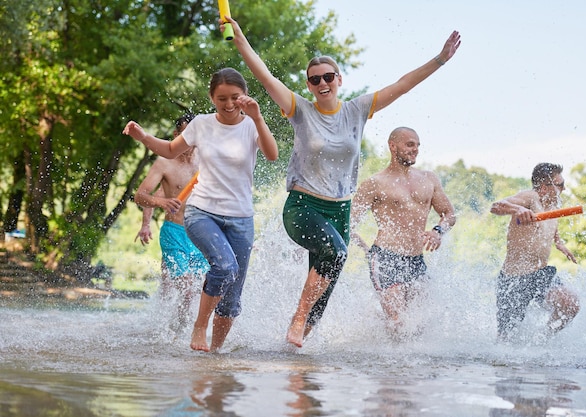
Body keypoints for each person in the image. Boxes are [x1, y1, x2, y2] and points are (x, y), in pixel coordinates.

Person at [224, 15, 461, 347]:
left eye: (328, 77)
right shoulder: (299, 109)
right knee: (335, 253)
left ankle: (294, 359)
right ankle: (296, 317)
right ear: (308, 84)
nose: (322, 83)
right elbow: (264, 77)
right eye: (315, 79)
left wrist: (439, 60)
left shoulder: (358, 109)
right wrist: (239, 40)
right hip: (303, 207)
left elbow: (403, 84)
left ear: (339, 79)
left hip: (339, 212)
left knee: (322, 300)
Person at [123, 68, 278, 352]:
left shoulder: (252, 125)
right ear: (211, 97)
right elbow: (169, 150)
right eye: (221, 98)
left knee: (232, 296)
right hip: (202, 212)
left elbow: (272, 154)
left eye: (235, 98)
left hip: (241, 217)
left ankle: (214, 353)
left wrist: (257, 117)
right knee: (224, 267)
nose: (229, 104)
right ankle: (199, 326)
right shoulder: (201, 125)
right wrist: (144, 137)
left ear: (243, 96)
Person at [350, 127, 456, 335]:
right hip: (385, 258)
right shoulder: (375, 183)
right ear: (393, 146)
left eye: (417, 145)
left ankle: (378, 332)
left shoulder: (429, 179)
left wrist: (438, 231)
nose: (415, 149)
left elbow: (449, 214)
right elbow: (348, 224)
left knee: (419, 327)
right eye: (409, 144)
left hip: (416, 261)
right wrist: (366, 249)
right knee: (398, 324)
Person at [134, 114, 210, 332]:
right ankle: (172, 331)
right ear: (176, 136)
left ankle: (180, 329)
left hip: (200, 233)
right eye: (185, 136)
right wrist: (160, 205)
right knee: (185, 287)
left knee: (198, 289)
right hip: (174, 233)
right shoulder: (164, 163)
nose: (189, 142)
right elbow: (141, 196)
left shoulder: (206, 161)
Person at [490, 163, 580, 342]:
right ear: (546, 187)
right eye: (560, 184)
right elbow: (496, 206)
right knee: (505, 341)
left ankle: (541, 339)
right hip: (514, 278)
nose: (564, 188)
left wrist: (559, 243)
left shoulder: (553, 205)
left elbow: (548, 228)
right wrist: (518, 209)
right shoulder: (530, 197)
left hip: (541, 273)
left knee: (570, 304)